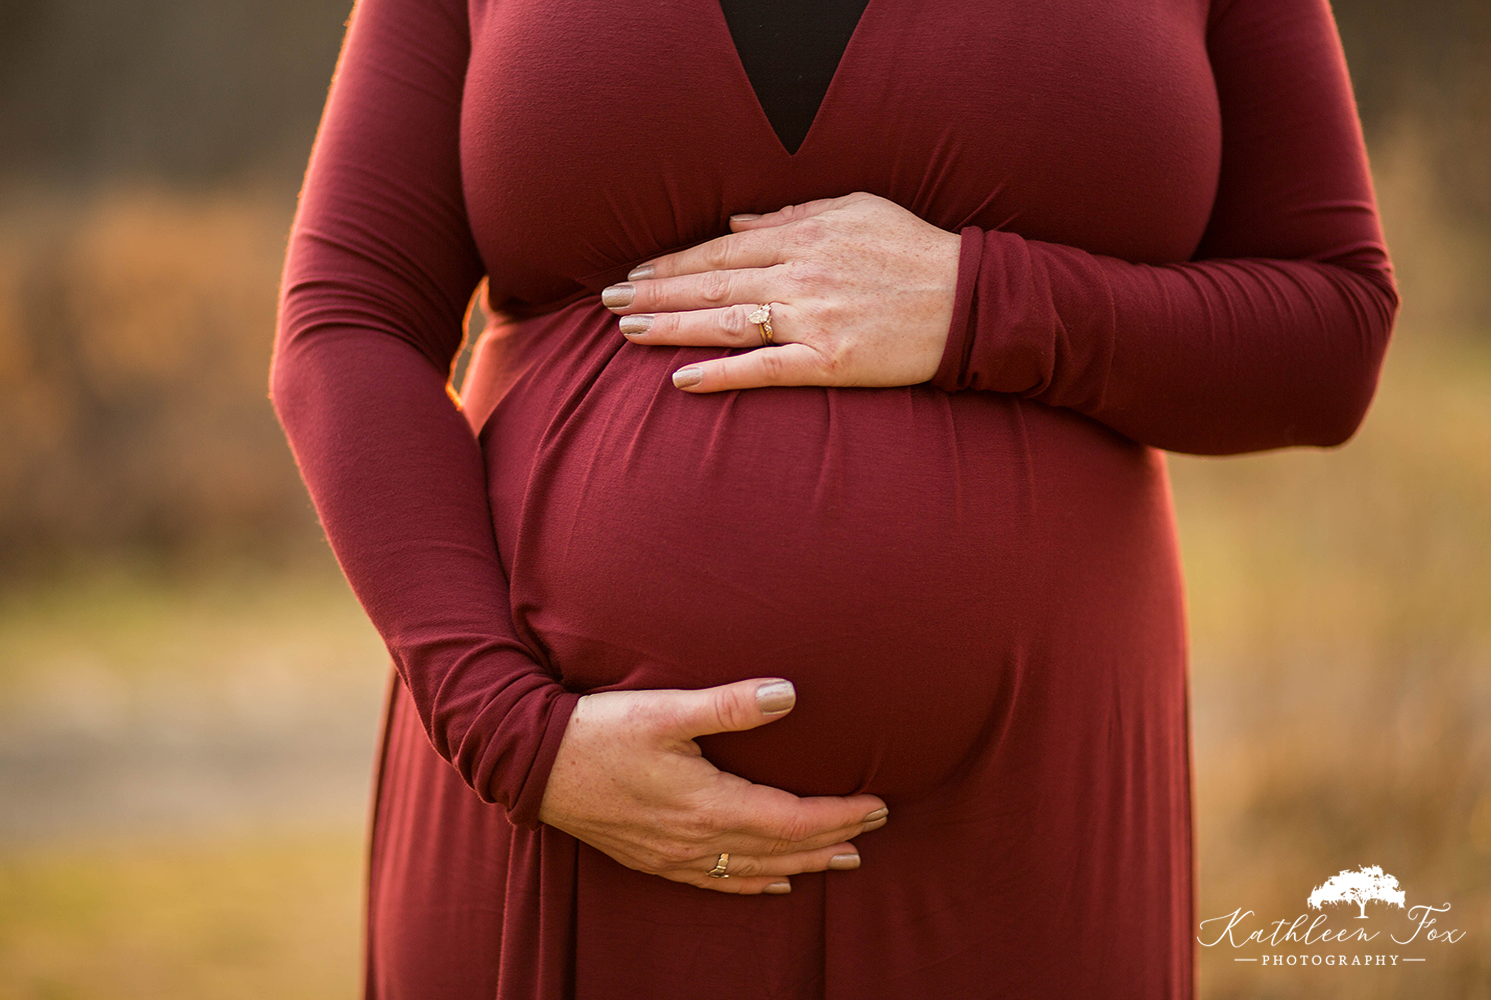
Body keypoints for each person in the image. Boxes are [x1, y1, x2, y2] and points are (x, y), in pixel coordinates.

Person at [270, 0, 1397, 995]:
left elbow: (1331, 330)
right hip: (556, 803)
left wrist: (981, 300)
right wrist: (516, 734)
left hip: (1021, 836)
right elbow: (348, 315)